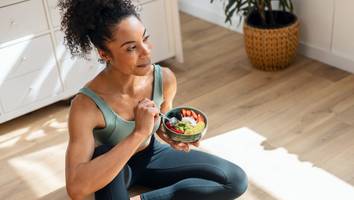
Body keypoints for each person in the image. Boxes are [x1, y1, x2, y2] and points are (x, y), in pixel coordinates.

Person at [59, 0, 248, 199]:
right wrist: (139, 133)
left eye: (145, 38)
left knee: (235, 180)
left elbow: (160, 123)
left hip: (151, 155)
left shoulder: (164, 79)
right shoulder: (86, 106)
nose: (146, 51)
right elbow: (76, 188)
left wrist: (174, 135)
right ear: (104, 54)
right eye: (131, 48)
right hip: (111, 167)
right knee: (104, 154)